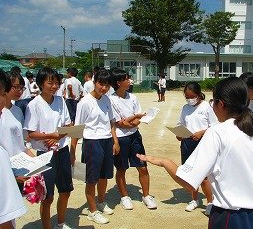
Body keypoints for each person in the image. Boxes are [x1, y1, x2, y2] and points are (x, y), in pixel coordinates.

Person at [137, 77, 253, 229]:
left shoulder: (217, 132)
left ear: (221, 104)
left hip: (232, 218)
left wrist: (164, 162)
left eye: (213, 102)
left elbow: (188, 182)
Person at [24, 67, 74, 229]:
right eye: (50, 82)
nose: (54, 86)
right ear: (40, 83)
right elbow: (31, 133)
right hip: (44, 155)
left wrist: (57, 137)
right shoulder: (34, 105)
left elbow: (69, 125)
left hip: (62, 151)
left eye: (56, 83)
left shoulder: (60, 101)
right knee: (47, 196)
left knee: (65, 191)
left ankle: (60, 222)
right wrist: (50, 136)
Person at [70, 69, 119, 224]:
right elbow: (77, 127)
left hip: (106, 141)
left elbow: (111, 122)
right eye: (101, 84)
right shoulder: (84, 102)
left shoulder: (106, 100)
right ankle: (92, 211)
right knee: (92, 179)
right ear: (94, 82)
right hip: (92, 143)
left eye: (107, 85)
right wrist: (72, 151)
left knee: (104, 176)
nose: (103, 88)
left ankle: (101, 201)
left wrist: (115, 140)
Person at [109, 68, 157, 210]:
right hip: (121, 139)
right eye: (126, 79)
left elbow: (138, 119)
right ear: (118, 82)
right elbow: (119, 123)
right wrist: (132, 120)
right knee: (122, 169)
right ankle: (124, 196)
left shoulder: (133, 97)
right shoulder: (111, 100)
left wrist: (132, 122)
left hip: (135, 136)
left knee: (142, 166)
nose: (130, 81)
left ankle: (146, 195)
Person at [176, 82, 218, 213]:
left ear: (199, 95)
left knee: (204, 175)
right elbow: (180, 123)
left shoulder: (207, 107)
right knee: (190, 174)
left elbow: (215, 126)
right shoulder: (185, 108)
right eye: (187, 97)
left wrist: (201, 133)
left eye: (192, 96)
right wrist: (179, 134)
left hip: (202, 144)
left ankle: (210, 202)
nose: (190, 99)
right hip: (187, 143)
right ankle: (194, 199)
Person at [0, 69, 27, 229]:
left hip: (17, 167)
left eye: (21, 87)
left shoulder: (17, 110)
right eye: (14, 87)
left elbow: (20, 140)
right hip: (10, 169)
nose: (18, 91)